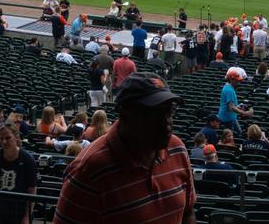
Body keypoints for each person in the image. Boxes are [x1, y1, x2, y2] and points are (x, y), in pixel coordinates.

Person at [54, 73, 195, 223]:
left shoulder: (177, 149)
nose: (167, 122)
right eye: (154, 113)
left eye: (170, 111)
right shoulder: (88, 170)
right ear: (125, 112)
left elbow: (188, 212)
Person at [0, 123, 39, 224]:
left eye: (8, 138)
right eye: (1, 139)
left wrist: (27, 216)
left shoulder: (28, 160)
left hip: (19, 211)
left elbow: (32, 190)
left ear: (17, 137)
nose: (4, 141)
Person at [219, 69, 254, 133]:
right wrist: (245, 113)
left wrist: (239, 107)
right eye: (237, 80)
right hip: (228, 118)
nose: (238, 82)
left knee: (239, 132)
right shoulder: (229, 90)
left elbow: (230, 105)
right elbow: (231, 107)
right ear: (232, 79)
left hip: (230, 116)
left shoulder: (227, 87)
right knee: (233, 135)